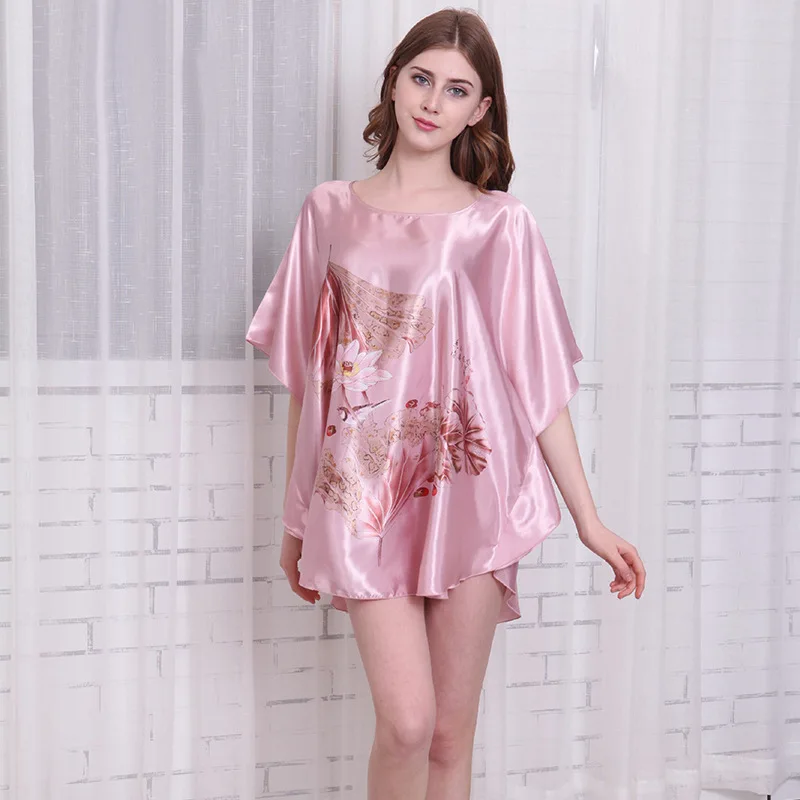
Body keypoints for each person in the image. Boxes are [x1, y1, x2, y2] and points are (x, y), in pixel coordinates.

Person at [247, 8, 646, 799]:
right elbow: (313, 382)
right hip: (360, 500)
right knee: (406, 722)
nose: (433, 102)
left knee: (447, 736)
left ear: (480, 109)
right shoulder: (329, 210)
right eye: (421, 78)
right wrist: (296, 521)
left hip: (473, 494)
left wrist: (590, 521)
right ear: (394, 82)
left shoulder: (500, 225)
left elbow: (537, 386)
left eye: (457, 89)